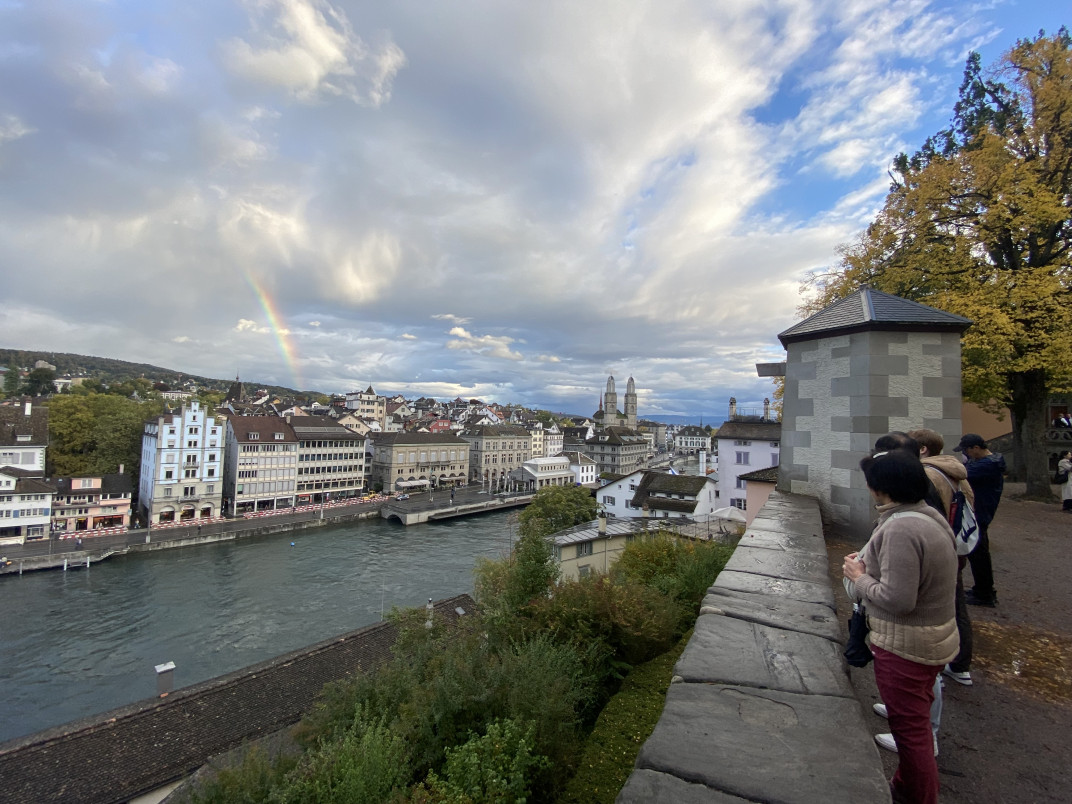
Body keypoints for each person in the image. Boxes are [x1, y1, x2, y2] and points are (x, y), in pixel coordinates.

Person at [844, 450, 958, 804]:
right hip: (932, 638)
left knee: (911, 736)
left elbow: (898, 599)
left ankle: (918, 797)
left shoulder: (902, 528)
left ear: (880, 487)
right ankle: (905, 787)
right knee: (916, 727)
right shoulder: (928, 516)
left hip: (907, 646)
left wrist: (859, 577)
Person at [909, 428, 976, 686]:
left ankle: (935, 668)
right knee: (955, 603)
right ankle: (959, 664)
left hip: (936, 549)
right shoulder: (957, 473)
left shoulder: (926, 474)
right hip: (956, 547)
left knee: (933, 608)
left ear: (923, 449)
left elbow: (926, 515)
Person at [954, 434, 1005, 607]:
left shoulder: (987, 465)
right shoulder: (989, 462)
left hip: (980, 513)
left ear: (976, 448)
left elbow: (961, 474)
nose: (966, 454)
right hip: (980, 512)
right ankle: (982, 589)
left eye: (967, 450)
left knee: (979, 554)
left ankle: (985, 593)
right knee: (978, 554)